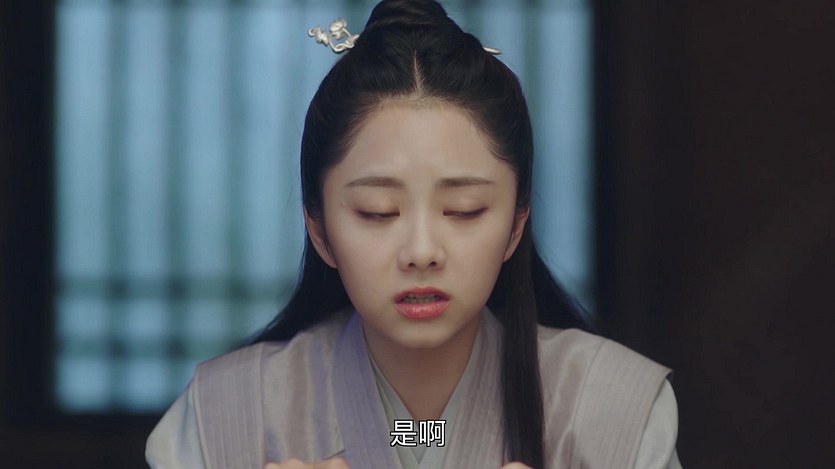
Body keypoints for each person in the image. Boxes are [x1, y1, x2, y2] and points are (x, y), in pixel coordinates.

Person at [146, 1, 682, 467]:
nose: (421, 252)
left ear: (516, 223)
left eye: (464, 210)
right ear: (319, 228)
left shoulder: (613, 407)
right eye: (378, 212)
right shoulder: (224, 415)